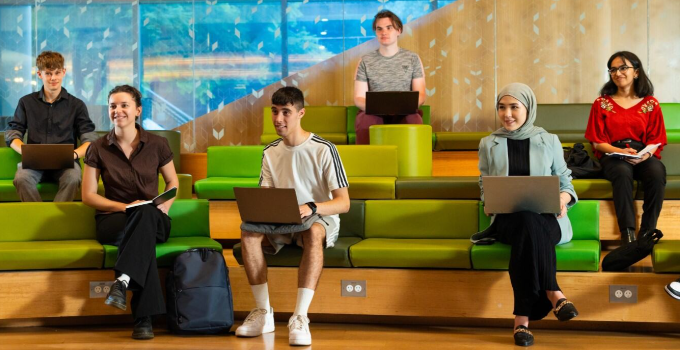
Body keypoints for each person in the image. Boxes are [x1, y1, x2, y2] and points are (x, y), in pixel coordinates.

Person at [235, 87, 350, 346]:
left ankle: (300, 316)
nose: (278, 119)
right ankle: (263, 312)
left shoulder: (324, 149)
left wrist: (312, 207)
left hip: (318, 215)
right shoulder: (270, 152)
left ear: (300, 113)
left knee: (313, 231)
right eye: (275, 112)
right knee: (249, 231)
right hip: (282, 219)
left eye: (286, 112)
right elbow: (266, 196)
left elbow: (343, 203)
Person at [474, 83, 579, 347]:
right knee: (524, 220)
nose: (507, 113)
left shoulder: (549, 140)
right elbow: (484, 183)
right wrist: (488, 200)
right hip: (508, 221)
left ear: (528, 108)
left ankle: (521, 320)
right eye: (502, 107)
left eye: (514, 107)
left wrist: (563, 199)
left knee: (530, 223)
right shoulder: (489, 143)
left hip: (548, 220)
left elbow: (566, 183)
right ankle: (554, 293)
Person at [81, 85, 179, 340]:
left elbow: (173, 183)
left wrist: (164, 207)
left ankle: (124, 281)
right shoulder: (97, 147)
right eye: (113, 105)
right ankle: (141, 317)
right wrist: (125, 207)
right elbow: (88, 196)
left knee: (146, 213)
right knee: (141, 220)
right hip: (114, 219)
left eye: (124, 105)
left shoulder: (158, 144)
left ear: (137, 110)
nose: (118, 110)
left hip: (153, 216)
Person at [585, 51, 667, 244]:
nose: (617, 73)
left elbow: (656, 139)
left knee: (657, 172)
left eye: (623, 68)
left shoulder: (651, 103)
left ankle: (647, 232)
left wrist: (644, 156)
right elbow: (597, 142)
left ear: (636, 72)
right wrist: (621, 152)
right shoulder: (601, 103)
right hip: (612, 153)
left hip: (642, 152)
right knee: (622, 172)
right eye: (613, 69)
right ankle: (628, 234)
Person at [5, 51, 97, 202]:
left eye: (57, 73)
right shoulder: (26, 102)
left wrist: (73, 155)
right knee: (21, 178)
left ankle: (54, 220)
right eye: (48, 73)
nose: (53, 78)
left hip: (66, 163)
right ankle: (39, 218)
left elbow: (90, 139)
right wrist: (25, 152)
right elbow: (13, 132)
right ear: (39, 74)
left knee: (73, 178)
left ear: (64, 72)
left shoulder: (77, 105)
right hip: (33, 162)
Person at [353, 10, 426, 144]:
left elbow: (420, 94)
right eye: (379, 29)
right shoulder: (365, 61)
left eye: (389, 28)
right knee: (365, 122)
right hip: (373, 113)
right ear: (376, 32)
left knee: (414, 120)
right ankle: (368, 162)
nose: (383, 32)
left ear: (398, 30)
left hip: (405, 112)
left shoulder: (413, 59)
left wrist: (400, 108)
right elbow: (358, 98)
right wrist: (381, 109)